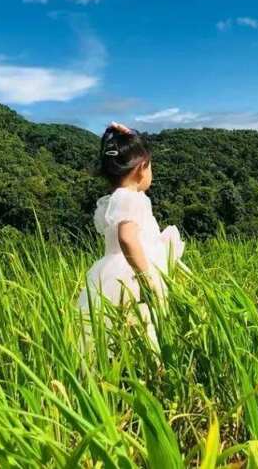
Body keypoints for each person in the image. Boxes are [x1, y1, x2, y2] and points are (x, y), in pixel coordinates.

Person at [77, 122, 185, 349]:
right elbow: (127, 237)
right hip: (131, 275)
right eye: (151, 167)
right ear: (141, 169)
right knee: (144, 330)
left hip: (111, 273)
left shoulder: (114, 199)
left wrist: (129, 139)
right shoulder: (130, 198)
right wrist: (147, 276)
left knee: (113, 334)